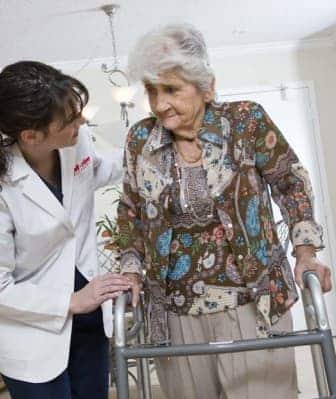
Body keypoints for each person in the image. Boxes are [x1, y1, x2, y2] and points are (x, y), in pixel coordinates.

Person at [116, 24, 332, 399]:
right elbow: (131, 211)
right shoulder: (140, 140)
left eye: (171, 89)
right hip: (174, 309)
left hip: (255, 302)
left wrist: (306, 254)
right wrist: (130, 270)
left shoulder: (246, 121)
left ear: (207, 87)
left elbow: (290, 183)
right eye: (151, 90)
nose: (159, 103)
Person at [0, 60, 129, 399]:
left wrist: (146, 148)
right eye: (69, 120)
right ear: (31, 136)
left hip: (89, 314)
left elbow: (99, 171)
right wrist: (70, 301)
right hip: (30, 326)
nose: (81, 121)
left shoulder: (76, 144)